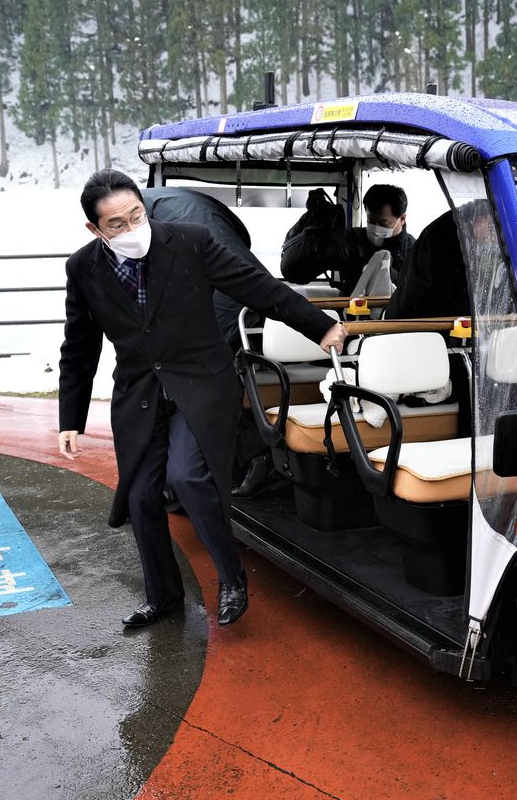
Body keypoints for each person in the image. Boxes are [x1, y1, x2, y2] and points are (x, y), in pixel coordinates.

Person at [58, 169, 347, 629]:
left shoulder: (190, 241)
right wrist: (70, 417)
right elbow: (79, 345)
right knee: (141, 496)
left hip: (202, 381)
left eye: (137, 215)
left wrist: (319, 325)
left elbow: (257, 286)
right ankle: (162, 597)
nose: (132, 228)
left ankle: (231, 578)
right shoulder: (83, 268)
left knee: (188, 476)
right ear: (95, 229)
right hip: (140, 391)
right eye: (117, 224)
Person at [141, 186, 276, 499]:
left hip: (230, 296)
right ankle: (239, 459)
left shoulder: (155, 219)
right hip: (239, 290)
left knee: (204, 379)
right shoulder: (165, 205)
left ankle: (251, 458)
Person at [279, 183, 415, 295]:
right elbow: (295, 273)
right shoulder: (352, 239)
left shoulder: (413, 249)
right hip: (350, 312)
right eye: (371, 221)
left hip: (396, 316)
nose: (376, 227)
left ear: (402, 219)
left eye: (384, 223)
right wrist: (317, 231)